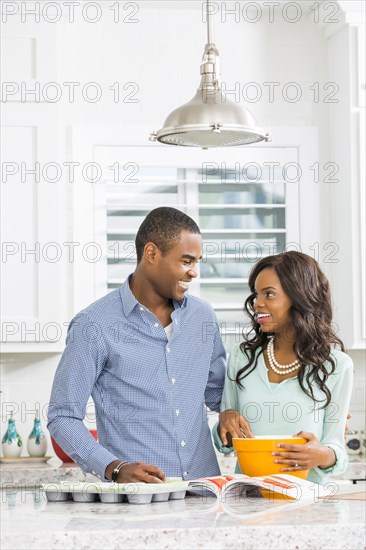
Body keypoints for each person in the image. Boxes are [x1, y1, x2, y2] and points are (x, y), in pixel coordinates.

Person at [48, 207, 226, 483]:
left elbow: (218, 395)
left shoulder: (203, 317)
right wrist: (114, 467)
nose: (194, 273)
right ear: (152, 254)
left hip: (206, 492)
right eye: (186, 261)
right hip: (139, 499)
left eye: (197, 262)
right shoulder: (93, 325)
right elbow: (63, 417)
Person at [213, 251, 353, 484]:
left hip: (307, 501)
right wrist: (224, 423)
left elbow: (336, 450)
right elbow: (226, 444)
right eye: (256, 294)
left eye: (269, 294)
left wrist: (320, 455)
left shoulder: (337, 366)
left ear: (299, 297)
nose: (257, 303)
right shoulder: (241, 357)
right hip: (249, 500)